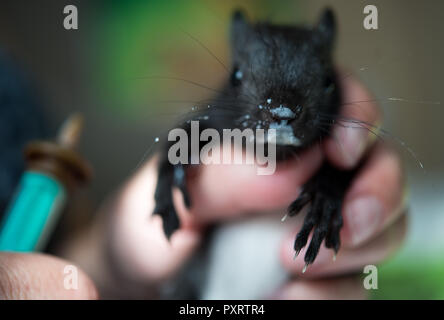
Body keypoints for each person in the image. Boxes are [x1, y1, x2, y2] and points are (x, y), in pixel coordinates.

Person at [0, 73, 407, 299]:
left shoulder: (17, 100)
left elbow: (60, 257)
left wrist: (109, 255)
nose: (281, 113)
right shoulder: (209, 125)